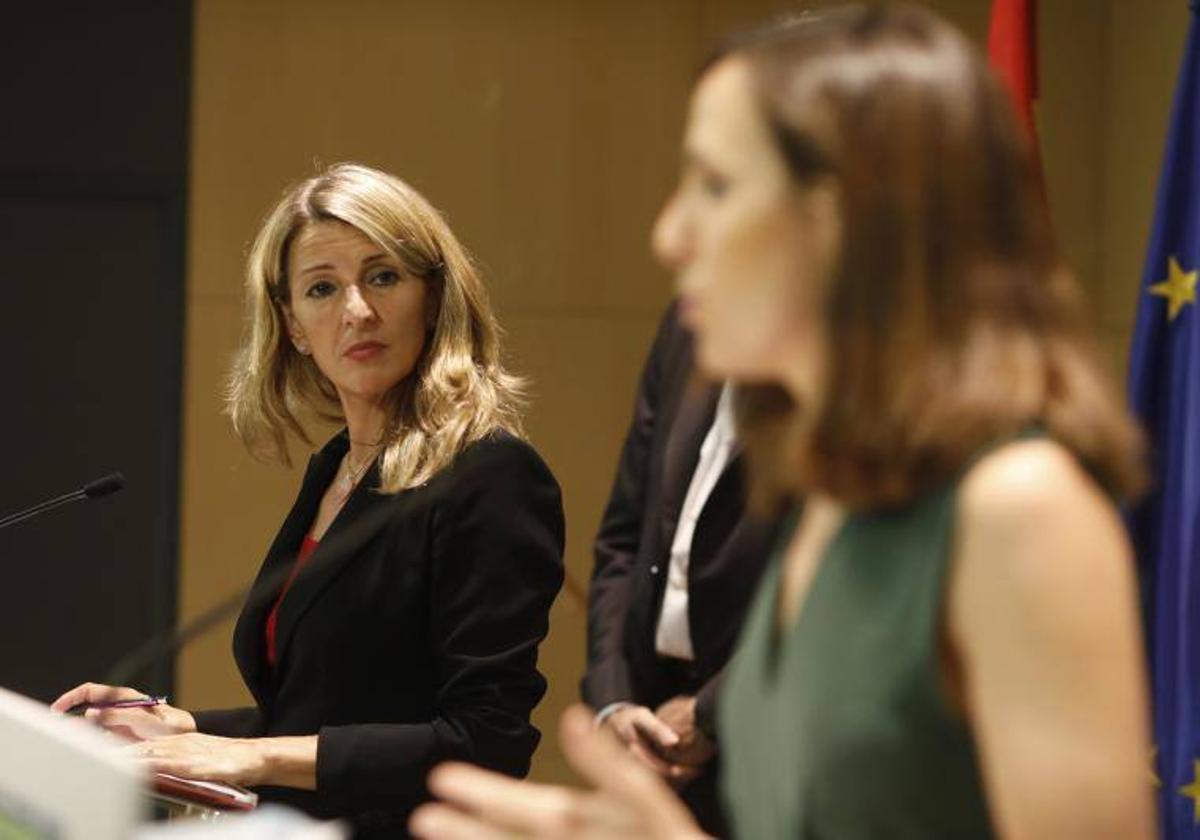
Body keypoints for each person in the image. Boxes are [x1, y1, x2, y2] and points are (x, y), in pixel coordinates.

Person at [408, 5, 1155, 838]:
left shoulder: (1021, 512)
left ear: (847, 222)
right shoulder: (829, 489)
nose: (670, 235)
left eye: (716, 186)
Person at [53, 163, 565, 837]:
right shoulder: (336, 470)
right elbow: (326, 715)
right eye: (322, 289)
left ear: (434, 296)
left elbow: (485, 741)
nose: (357, 311)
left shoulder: (489, 474)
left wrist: (247, 755)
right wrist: (183, 727)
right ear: (293, 326)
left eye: (383, 277)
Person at [583, 301, 780, 835]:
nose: (673, 239)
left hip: (771, 736)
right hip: (648, 726)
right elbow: (623, 535)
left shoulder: (843, 365)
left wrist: (710, 714)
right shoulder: (685, 323)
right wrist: (614, 698)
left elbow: (833, 598)